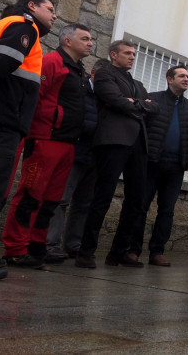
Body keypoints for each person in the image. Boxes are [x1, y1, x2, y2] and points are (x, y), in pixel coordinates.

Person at [0, 0, 56, 281]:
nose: (54, 15)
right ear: (32, 6)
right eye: (50, 9)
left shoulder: (9, 25)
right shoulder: (24, 27)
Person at [0, 23, 93, 268]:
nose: (90, 43)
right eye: (84, 38)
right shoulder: (52, 62)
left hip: (68, 143)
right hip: (45, 139)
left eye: (91, 39)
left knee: (50, 200)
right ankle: (15, 248)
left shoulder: (79, 71)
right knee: (30, 195)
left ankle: (36, 245)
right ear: (67, 41)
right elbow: (36, 96)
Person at [75, 40, 159, 269]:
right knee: (102, 196)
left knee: (136, 200)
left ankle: (118, 252)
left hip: (138, 144)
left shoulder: (137, 83)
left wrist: (136, 103)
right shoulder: (104, 74)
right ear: (114, 54)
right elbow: (115, 101)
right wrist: (140, 105)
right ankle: (86, 252)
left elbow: (155, 109)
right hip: (112, 141)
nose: (132, 57)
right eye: (128, 53)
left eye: (134, 53)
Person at [131, 65, 188, 267]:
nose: (186, 79)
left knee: (167, 211)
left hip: (175, 167)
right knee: (140, 207)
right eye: (182, 76)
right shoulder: (153, 99)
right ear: (170, 79)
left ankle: (157, 251)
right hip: (151, 163)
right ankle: (133, 250)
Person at [46, 58, 106, 262]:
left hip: (94, 156)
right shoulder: (80, 89)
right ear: (93, 74)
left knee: (84, 203)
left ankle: (73, 245)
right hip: (74, 151)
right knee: (61, 200)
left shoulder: (106, 97)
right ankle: (51, 243)